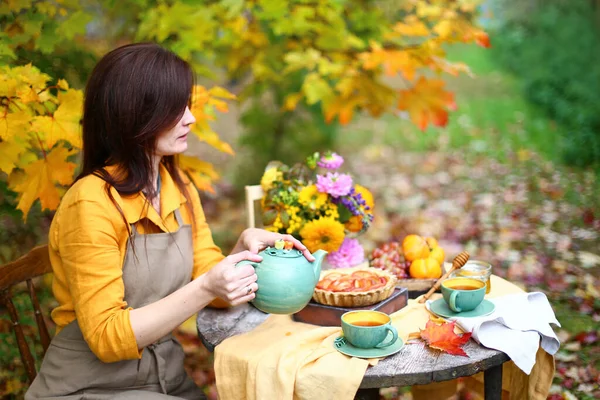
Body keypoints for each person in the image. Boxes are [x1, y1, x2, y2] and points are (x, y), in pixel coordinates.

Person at [25, 42, 314, 400]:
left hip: (166, 381)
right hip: (90, 388)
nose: (191, 118)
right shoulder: (91, 203)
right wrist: (207, 286)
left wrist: (241, 255)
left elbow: (212, 285)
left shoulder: (177, 185)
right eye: (176, 109)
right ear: (135, 114)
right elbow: (107, 339)